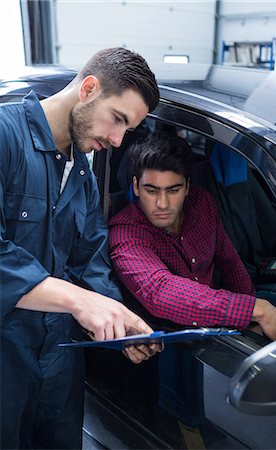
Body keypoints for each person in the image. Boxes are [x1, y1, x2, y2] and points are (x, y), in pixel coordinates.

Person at [0, 47, 162, 450]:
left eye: (128, 130)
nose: (117, 140)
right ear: (89, 88)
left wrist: (118, 320)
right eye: (118, 120)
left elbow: (90, 257)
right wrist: (78, 301)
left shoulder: (83, 175)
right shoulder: (5, 137)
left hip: (59, 357)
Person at [109, 132, 276, 341]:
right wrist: (256, 309)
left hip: (225, 317)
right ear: (135, 186)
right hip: (174, 339)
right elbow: (161, 292)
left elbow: (229, 261)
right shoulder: (125, 234)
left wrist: (251, 318)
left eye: (173, 190)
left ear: (187, 186)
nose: (162, 204)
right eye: (151, 191)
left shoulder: (201, 203)